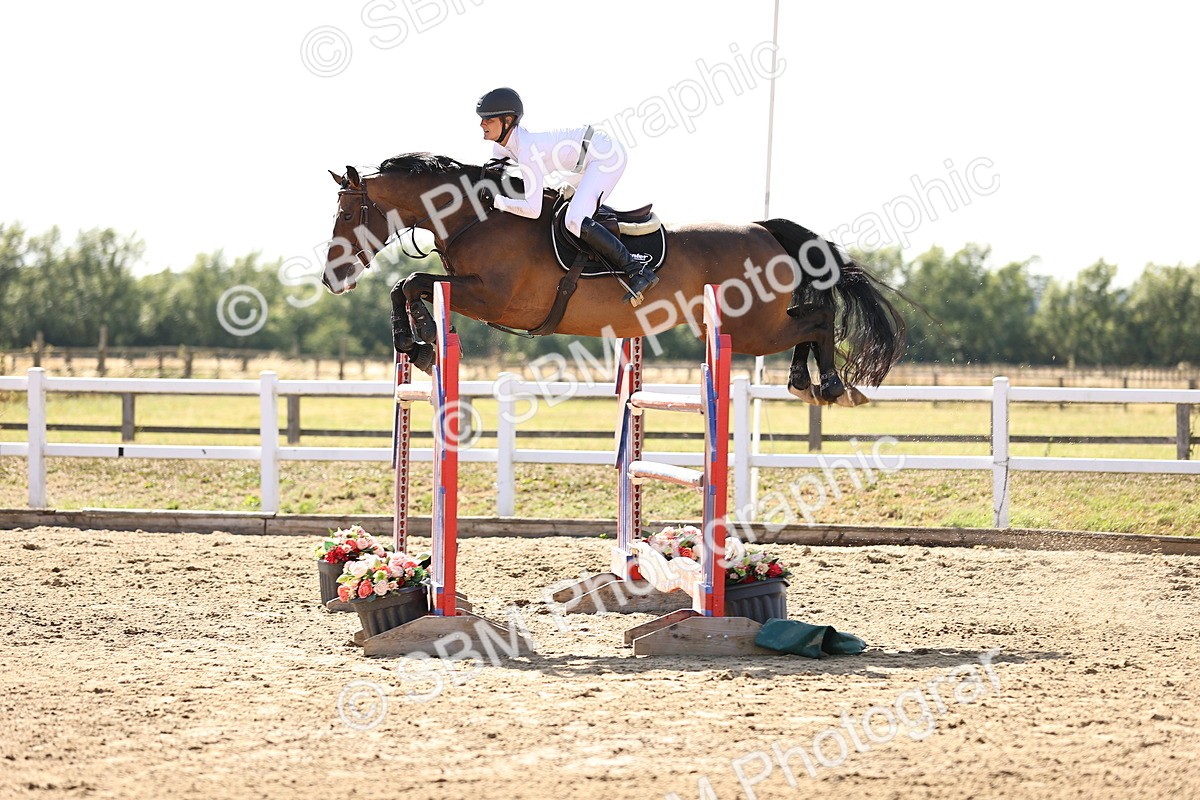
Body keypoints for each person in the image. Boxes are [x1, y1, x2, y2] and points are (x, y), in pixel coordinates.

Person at [475, 87, 659, 305]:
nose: (481, 124)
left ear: (507, 121)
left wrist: (497, 201)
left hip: (604, 155)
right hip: (583, 160)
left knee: (574, 220)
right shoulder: (503, 148)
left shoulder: (526, 151)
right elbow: (491, 174)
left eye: (488, 119)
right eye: (481, 119)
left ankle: (637, 270)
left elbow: (533, 210)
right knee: (560, 197)